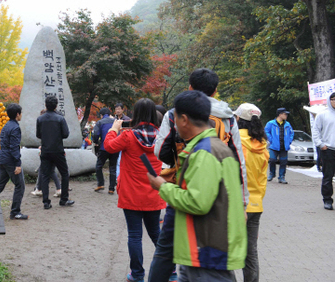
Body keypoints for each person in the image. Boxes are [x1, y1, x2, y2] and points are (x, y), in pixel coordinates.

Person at [149, 68, 248, 282]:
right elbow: (239, 158)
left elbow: (159, 151)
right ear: (215, 91)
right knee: (191, 262)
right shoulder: (228, 118)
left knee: (167, 250)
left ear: (190, 87)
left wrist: (163, 184)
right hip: (222, 204)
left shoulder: (179, 117)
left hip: (183, 193)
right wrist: (244, 201)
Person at [104, 98, 165, 282]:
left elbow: (109, 146)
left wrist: (114, 129)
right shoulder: (162, 136)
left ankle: (137, 274)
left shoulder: (128, 136)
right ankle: (170, 271)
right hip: (154, 193)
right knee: (157, 234)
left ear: (136, 114)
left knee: (135, 236)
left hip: (131, 194)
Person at [234, 103, 268, 282]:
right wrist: (256, 199)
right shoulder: (262, 145)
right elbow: (263, 180)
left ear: (238, 119)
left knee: (228, 250)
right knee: (251, 252)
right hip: (256, 205)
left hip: (237, 204)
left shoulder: (234, 141)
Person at [36, 95, 74, 209]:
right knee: (64, 173)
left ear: (46, 105)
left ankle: (46, 202)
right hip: (58, 150)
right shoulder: (60, 118)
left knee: (45, 175)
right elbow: (66, 134)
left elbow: (38, 135)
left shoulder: (40, 119)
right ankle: (64, 199)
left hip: (45, 150)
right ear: (56, 106)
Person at [0, 103, 28, 220]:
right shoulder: (15, 127)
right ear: (17, 114)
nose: (21, 115)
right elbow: (14, 147)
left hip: (3, 159)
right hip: (10, 160)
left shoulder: (5, 126)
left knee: (0, 185)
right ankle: (15, 212)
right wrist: (17, 164)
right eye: (21, 113)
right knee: (20, 185)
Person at [312, 92, 335, 210]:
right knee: (328, 176)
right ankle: (327, 200)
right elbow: (316, 131)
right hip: (328, 150)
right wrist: (321, 144)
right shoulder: (323, 115)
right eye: (333, 99)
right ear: (329, 100)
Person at [92, 107, 119, 194]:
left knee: (99, 166)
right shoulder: (116, 121)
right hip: (115, 147)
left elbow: (95, 134)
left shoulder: (100, 122)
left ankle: (100, 184)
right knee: (113, 167)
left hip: (104, 147)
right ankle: (111, 188)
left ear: (101, 115)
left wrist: (96, 142)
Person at [264, 107, 294, 184]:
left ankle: (281, 177)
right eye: (285, 114)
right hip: (274, 146)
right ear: (280, 114)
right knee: (272, 160)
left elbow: (291, 133)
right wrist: (271, 140)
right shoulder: (271, 123)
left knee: (283, 162)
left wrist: (289, 141)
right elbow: (266, 131)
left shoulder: (287, 124)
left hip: (284, 146)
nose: (286, 115)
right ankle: (272, 173)